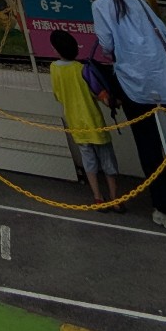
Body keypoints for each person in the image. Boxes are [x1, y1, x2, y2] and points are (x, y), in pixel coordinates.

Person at [90, 0, 166, 228]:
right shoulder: (138, 1)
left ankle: (165, 209)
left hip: (134, 86)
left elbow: (106, 44)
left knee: (149, 148)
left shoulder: (100, 5)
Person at [49, 30, 122, 208]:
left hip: (75, 123)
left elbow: (58, 95)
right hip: (94, 121)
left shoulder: (54, 69)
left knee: (89, 161)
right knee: (107, 160)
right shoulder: (83, 69)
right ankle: (115, 198)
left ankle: (97, 196)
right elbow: (100, 94)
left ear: (56, 49)